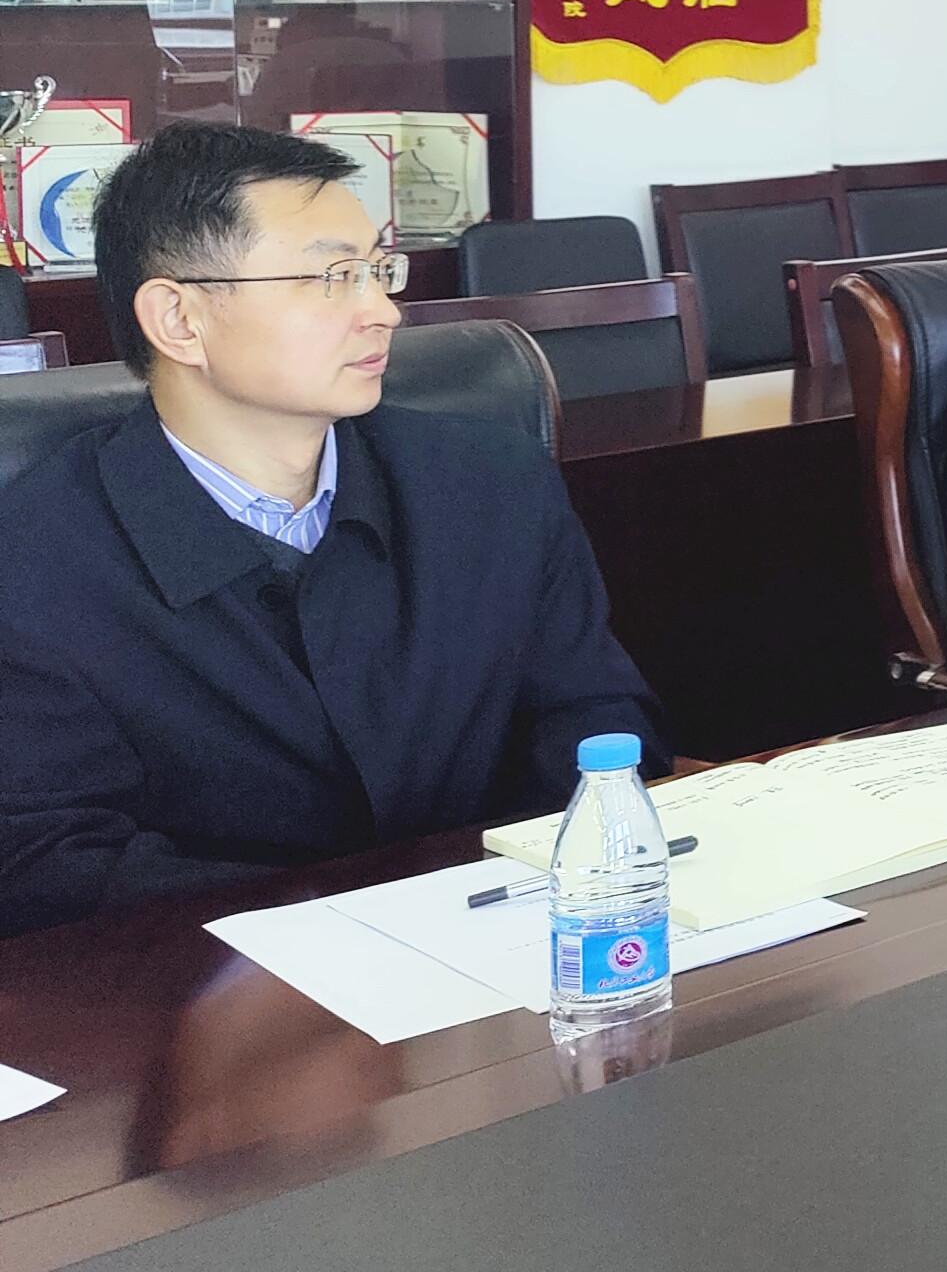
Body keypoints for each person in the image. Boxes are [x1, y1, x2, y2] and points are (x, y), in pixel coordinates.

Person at [0, 120, 656, 941]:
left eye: (378, 270)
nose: (383, 311)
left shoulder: (492, 483)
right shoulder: (34, 560)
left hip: (507, 944)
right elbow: (47, 861)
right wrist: (340, 931)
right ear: (178, 319)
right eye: (332, 277)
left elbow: (593, 716)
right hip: (212, 989)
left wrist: (515, 889)